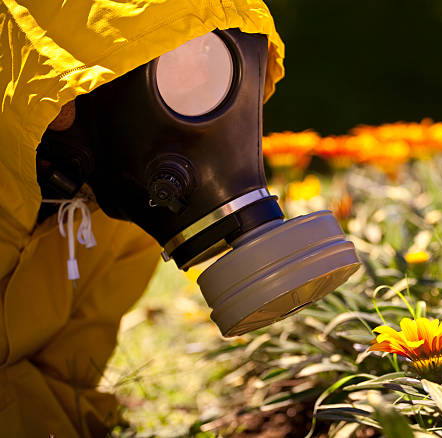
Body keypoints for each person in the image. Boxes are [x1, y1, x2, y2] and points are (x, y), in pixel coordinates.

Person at [0, 1, 284, 436]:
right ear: (61, 103)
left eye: (212, 60)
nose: (195, 80)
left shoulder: (115, 227)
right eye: (170, 62)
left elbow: (68, 380)